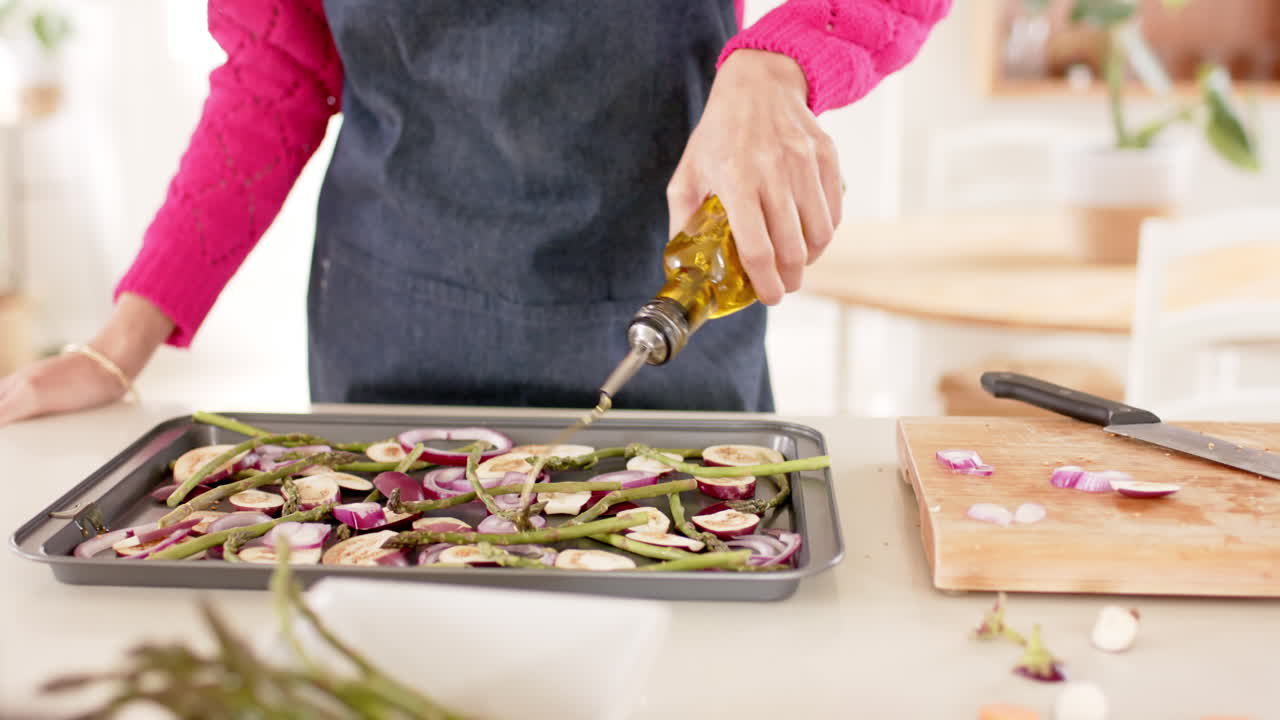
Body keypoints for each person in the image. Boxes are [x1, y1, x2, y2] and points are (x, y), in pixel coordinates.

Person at [0, 0, 950, 426]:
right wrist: (115, 343)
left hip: (664, 299)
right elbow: (277, 69)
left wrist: (779, 60)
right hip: (393, 322)